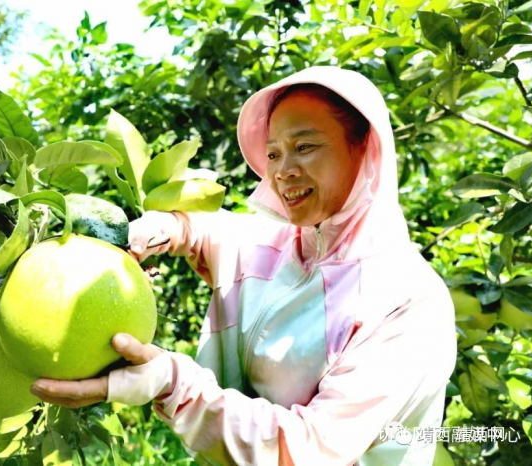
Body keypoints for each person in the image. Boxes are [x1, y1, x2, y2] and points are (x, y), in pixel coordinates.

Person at [30, 66, 457, 465]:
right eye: (272, 155)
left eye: (304, 147)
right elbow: (209, 233)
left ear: (365, 148)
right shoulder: (281, 245)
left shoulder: (408, 301)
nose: (283, 171)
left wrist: (173, 384)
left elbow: (311, 451)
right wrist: (166, 228)